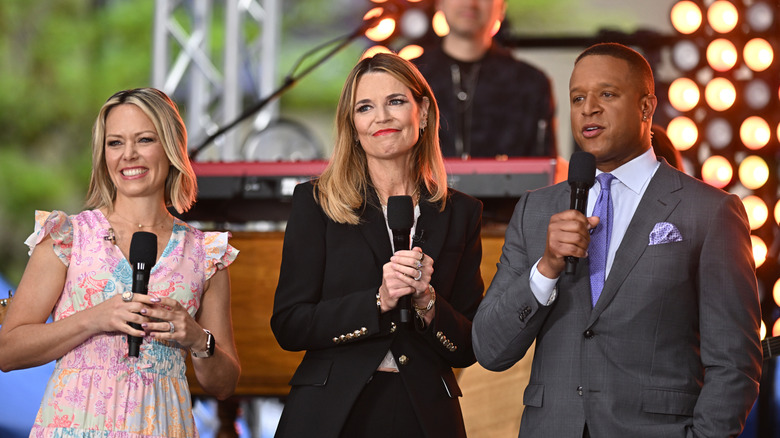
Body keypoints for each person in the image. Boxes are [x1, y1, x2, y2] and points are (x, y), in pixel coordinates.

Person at [472, 43, 762, 437]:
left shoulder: (708, 211)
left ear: (646, 107)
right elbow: (490, 349)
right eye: (578, 97)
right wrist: (546, 269)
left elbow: (734, 362)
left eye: (607, 94)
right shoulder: (536, 210)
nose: (588, 108)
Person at [0, 88, 241, 436]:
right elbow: (8, 352)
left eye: (144, 140)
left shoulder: (205, 253)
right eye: (115, 143)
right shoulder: (67, 236)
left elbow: (224, 385)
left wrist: (196, 337)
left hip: (162, 424)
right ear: (103, 154)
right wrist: (93, 319)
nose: (129, 155)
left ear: (170, 147)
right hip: (76, 424)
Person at [271, 53, 484, 438]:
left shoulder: (461, 212)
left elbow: (469, 344)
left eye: (396, 101)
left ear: (422, 113)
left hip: (423, 413)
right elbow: (289, 325)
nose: (381, 117)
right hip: (331, 413)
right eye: (365, 107)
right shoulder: (316, 202)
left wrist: (428, 303)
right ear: (353, 127)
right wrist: (378, 301)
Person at [411, 0, 556, 159]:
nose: (470, 3)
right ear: (439, 3)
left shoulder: (531, 83)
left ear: (501, 7)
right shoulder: (410, 77)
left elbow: (546, 167)